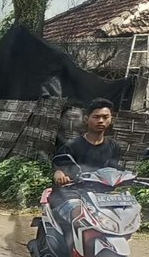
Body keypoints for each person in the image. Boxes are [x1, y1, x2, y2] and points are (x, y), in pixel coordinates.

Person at [49, 98, 122, 240]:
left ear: (111, 119)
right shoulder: (72, 145)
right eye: (96, 117)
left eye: (105, 117)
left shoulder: (114, 147)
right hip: (70, 196)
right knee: (80, 218)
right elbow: (59, 167)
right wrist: (60, 176)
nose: (101, 120)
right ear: (87, 119)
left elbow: (114, 170)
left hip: (100, 199)